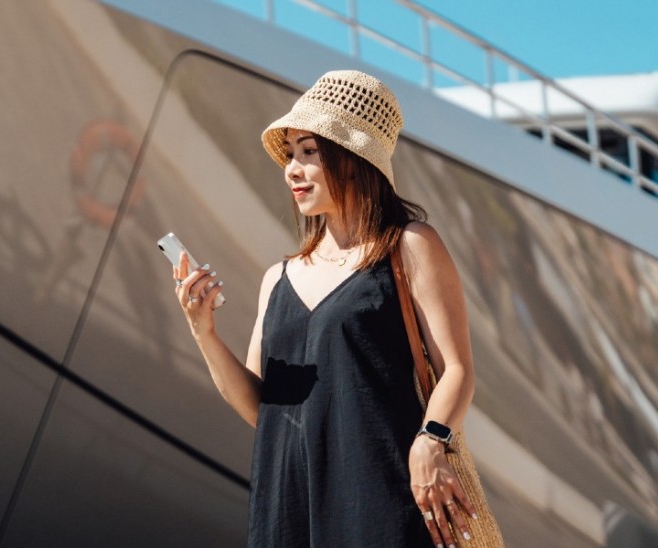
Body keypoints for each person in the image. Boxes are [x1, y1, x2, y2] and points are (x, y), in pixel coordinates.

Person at [171, 70, 479, 547]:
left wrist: (432, 438)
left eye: (309, 152)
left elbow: (456, 368)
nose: (292, 168)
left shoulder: (409, 246)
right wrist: (204, 332)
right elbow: (260, 406)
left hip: (380, 497)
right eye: (290, 154)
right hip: (288, 504)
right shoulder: (278, 277)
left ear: (354, 160)